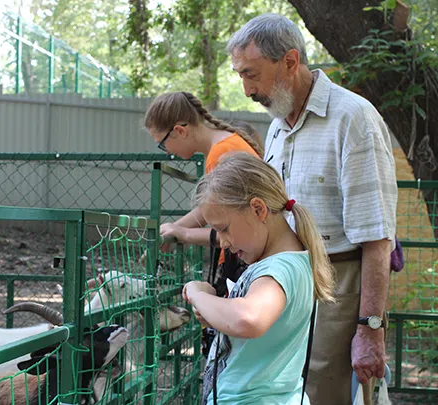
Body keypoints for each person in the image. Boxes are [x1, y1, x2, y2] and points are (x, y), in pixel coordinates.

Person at [225, 13, 398, 405]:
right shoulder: (277, 125)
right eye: (240, 75)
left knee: (326, 394)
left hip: (339, 284)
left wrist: (370, 329)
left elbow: (377, 238)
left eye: (251, 74)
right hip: (288, 282)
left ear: (289, 61)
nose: (246, 89)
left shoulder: (353, 119)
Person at [182, 151, 335, 405]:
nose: (223, 243)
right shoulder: (284, 263)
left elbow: (247, 319)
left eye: (224, 228)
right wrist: (214, 310)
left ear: (258, 209)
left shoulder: (279, 268)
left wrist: (197, 294)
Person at [144, 91, 263, 295]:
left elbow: (237, 229)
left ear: (180, 131)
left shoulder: (223, 153)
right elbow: (211, 210)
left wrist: (185, 233)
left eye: (162, 143)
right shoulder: (222, 148)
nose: (166, 151)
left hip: (245, 260)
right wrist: (173, 229)